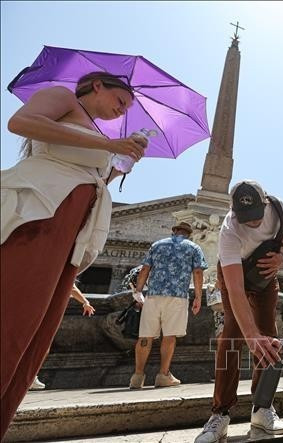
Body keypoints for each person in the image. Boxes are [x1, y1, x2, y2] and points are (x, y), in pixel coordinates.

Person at [1, 71, 145, 438]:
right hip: (39, 216)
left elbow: (91, 178)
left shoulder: (96, 131)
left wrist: (122, 162)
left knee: (34, 338)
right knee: (12, 323)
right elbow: (20, 123)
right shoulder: (63, 96)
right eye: (121, 100)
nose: (121, 110)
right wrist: (112, 145)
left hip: (69, 233)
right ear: (98, 84)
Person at [195, 180, 283, 442]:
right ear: (235, 211)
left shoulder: (279, 208)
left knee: (269, 335)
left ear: (266, 203)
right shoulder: (228, 230)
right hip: (234, 277)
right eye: (245, 218)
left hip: (265, 278)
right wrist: (250, 335)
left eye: (257, 216)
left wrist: (281, 256)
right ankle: (220, 414)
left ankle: (262, 408)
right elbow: (236, 291)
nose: (252, 223)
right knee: (232, 337)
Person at [129, 221, 207, 389]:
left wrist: (138, 292)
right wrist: (198, 297)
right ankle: (163, 375)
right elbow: (198, 272)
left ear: (174, 231)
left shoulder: (157, 245)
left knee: (145, 336)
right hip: (177, 297)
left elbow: (144, 269)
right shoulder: (193, 248)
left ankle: (137, 376)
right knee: (169, 336)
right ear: (188, 234)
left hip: (153, 296)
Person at [30, 284, 96, 391]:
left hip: (30, 304)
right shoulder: (60, 267)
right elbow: (70, 286)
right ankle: (30, 377)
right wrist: (85, 302)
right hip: (47, 308)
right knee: (44, 344)